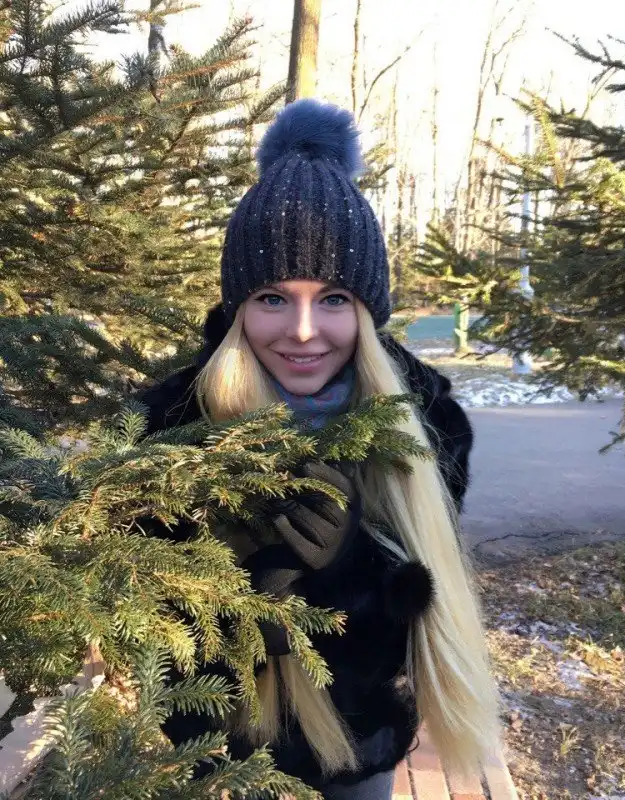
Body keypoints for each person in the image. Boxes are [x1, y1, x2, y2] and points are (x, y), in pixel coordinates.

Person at [137, 99, 500, 800]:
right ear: (238, 307)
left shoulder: (427, 425)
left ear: (366, 310)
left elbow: (424, 630)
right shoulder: (168, 426)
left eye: (333, 298)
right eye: (273, 297)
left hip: (356, 752)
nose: (303, 330)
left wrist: (347, 576)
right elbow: (143, 629)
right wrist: (236, 617)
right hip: (219, 756)